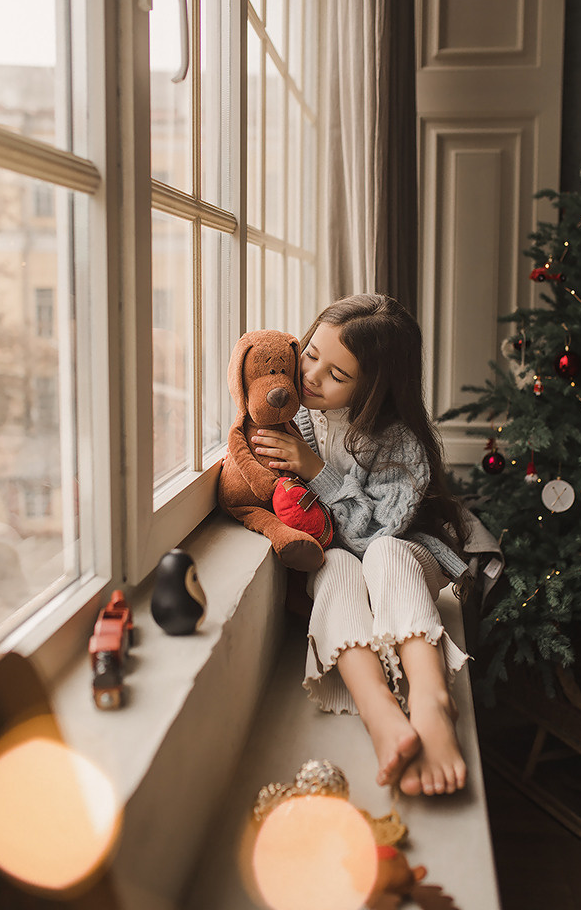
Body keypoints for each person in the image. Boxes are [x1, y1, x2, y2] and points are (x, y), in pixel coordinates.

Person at [250, 294, 470, 797]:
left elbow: (377, 536)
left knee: (381, 555)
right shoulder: (293, 416)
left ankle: (432, 698)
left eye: (337, 375)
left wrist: (315, 470)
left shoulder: (396, 440)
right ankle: (379, 710)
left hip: (407, 555)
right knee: (335, 569)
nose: (311, 376)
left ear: (375, 387)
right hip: (340, 560)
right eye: (311, 354)